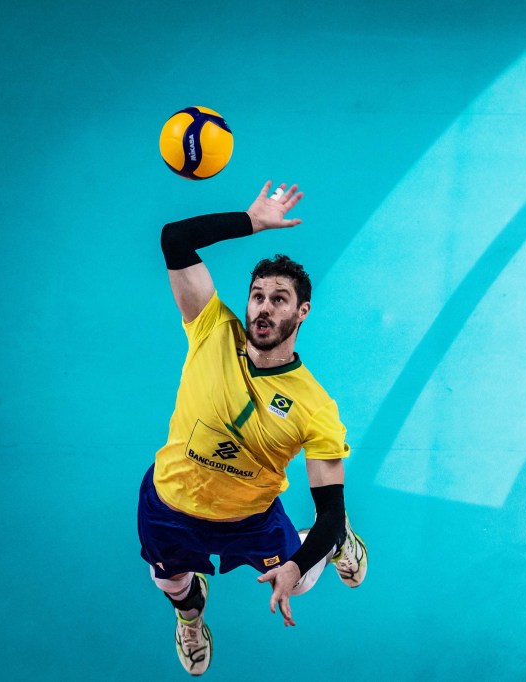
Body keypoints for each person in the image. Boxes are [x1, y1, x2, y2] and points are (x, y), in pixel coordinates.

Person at [137, 181, 367, 676]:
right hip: (170, 504)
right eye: (258, 296)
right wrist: (252, 222)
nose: (263, 307)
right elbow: (175, 238)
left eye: (279, 299)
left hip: (250, 518)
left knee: (299, 580)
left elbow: (331, 509)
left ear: (302, 312)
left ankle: (336, 545)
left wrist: (298, 562)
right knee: (171, 584)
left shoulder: (316, 407)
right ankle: (191, 618)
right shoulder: (210, 328)